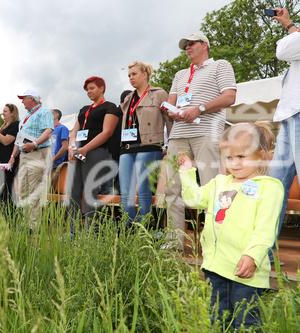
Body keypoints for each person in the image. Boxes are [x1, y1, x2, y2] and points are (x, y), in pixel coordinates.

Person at [178, 123, 283, 329]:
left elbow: (265, 228)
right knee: (217, 319)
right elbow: (194, 198)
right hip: (215, 268)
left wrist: (252, 256)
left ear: (260, 155)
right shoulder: (220, 182)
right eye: (229, 157)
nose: (234, 163)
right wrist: (187, 172)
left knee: (245, 322)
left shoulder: (269, 187)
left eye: (241, 157)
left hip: (245, 271)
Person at [164, 32, 237, 250]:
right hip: (178, 135)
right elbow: (171, 104)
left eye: (191, 43)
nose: (187, 48)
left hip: (207, 132)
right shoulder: (180, 74)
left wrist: (200, 109)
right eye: (184, 45)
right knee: (173, 188)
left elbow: (230, 97)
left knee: (211, 185)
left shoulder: (221, 66)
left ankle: (213, 240)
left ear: (204, 45)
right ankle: (174, 240)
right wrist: (173, 112)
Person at [118, 61, 171, 224]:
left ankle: (145, 227)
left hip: (149, 145)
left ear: (145, 74)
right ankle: (129, 227)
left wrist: (170, 145)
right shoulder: (128, 98)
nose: (130, 78)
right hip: (127, 147)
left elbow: (170, 121)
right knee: (126, 192)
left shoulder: (159, 93)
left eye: (134, 74)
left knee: (143, 189)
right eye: (129, 75)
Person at [67, 76, 121, 226]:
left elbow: (107, 132)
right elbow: (74, 131)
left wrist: (85, 148)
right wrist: (72, 147)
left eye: (92, 88)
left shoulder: (110, 107)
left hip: (97, 152)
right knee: (74, 192)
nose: (88, 92)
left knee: (91, 193)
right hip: (79, 154)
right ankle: (73, 231)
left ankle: (91, 232)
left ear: (102, 88)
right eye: (87, 90)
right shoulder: (84, 109)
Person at [268, 8, 300, 253]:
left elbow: (283, 50)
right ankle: (264, 254)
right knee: (273, 189)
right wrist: (290, 26)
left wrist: (290, 26)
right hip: (290, 116)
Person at [8, 89, 53, 230]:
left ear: (32, 99)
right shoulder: (26, 116)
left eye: (24, 98)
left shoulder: (44, 112)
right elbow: (19, 138)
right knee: (23, 190)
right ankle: (25, 223)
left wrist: (34, 143)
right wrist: (12, 156)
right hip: (24, 154)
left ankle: (33, 226)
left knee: (33, 190)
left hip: (37, 152)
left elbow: (48, 130)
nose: (22, 101)